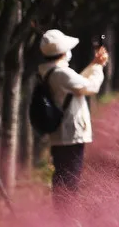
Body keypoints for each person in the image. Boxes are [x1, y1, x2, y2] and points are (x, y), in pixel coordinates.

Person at [37, 29, 109, 212]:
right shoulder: (61, 73)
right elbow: (90, 86)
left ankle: (63, 214)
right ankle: (67, 216)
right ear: (63, 52)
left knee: (62, 175)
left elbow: (78, 83)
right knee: (70, 178)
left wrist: (94, 64)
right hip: (70, 134)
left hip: (61, 134)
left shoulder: (51, 71)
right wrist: (99, 67)